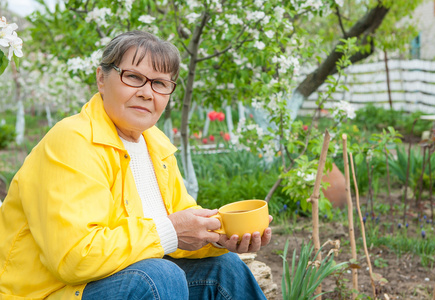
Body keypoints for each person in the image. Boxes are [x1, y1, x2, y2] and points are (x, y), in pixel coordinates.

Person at [0, 31, 272, 299]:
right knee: (159, 275)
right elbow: (75, 257)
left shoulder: (156, 144)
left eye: (160, 83)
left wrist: (218, 236)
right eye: (133, 77)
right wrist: (170, 230)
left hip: (114, 282)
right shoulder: (72, 140)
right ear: (101, 79)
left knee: (225, 269)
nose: (146, 93)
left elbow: (181, 224)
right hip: (49, 292)